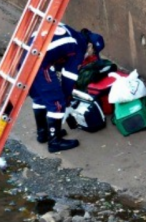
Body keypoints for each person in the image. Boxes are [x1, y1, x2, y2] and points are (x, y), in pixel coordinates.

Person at [28, 24, 105, 153]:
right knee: (57, 104)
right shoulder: (79, 48)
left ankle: (44, 133)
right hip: (39, 63)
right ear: (90, 45)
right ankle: (54, 141)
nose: (91, 55)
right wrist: (66, 104)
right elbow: (68, 79)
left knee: (40, 98)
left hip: (25, 58)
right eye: (93, 52)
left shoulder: (70, 31)